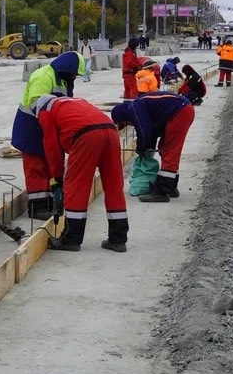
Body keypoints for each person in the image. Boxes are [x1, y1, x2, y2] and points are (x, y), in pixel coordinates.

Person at [34, 92, 128, 252]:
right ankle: (118, 240)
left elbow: (52, 148)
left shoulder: (45, 110)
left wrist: (57, 177)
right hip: (111, 132)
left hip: (86, 136)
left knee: (76, 186)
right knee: (114, 185)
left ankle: (71, 240)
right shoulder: (75, 102)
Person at [11, 52, 85, 220]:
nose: (74, 77)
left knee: (51, 166)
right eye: (74, 74)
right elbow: (36, 103)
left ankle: (51, 203)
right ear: (66, 69)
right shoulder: (43, 76)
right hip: (32, 128)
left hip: (48, 128)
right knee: (36, 167)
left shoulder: (64, 80)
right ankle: (37, 207)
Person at [111, 90, 196, 202]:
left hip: (179, 112)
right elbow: (152, 130)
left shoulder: (134, 109)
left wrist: (141, 149)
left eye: (125, 124)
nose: (129, 125)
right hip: (182, 109)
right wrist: (147, 147)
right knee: (164, 148)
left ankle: (161, 191)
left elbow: (145, 133)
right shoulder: (139, 106)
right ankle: (171, 187)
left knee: (170, 150)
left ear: (123, 117)